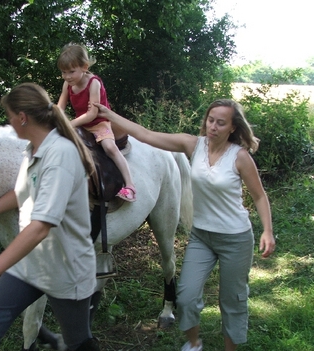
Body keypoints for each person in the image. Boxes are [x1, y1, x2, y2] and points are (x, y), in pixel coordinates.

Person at [93, 99, 276, 351]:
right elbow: (145, 134)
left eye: (221, 123)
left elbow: (259, 196)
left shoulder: (240, 157)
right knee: (187, 297)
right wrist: (108, 114)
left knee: (231, 301)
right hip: (202, 236)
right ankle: (194, 344)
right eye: (210, 120)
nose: (213, 126)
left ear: (232, 128)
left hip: (235, 238)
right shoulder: (194, 145)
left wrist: (267, 230)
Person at [0, 83, 100, 351]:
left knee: (78, 343)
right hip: (30, 263)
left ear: (22, 117)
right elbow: (22, 192)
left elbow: (40, 227)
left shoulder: (60, 154)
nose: (9, 122)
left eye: (10, 116)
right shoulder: (32, 149)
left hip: (66, 269)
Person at [57, 42, 136, 202]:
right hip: (81, 124)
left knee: (109, 147)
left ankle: (130, 186)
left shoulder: (94, 83)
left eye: (72, 71)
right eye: (64, 72)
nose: (67, 76)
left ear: (84, 67)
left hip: (99, 122)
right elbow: (60, 107)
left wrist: (69, 124)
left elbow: (92, 114)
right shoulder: (68, 84)